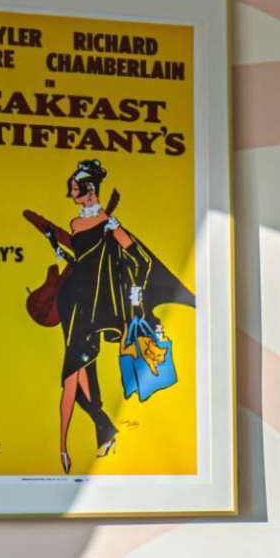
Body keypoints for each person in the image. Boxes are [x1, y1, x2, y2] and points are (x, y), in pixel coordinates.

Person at [22, 157, 194, 474]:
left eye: (76, 188)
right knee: (76, 375)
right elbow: (84, 258)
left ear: (89, 189)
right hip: (73, 301)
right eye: (71, 188)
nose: (72, 193)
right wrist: (55, 243)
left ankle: (69, 445)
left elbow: (140, 261)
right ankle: (102, 431)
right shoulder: (76, 224)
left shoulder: (109, 224)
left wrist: (136, 297)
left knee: (72, 376)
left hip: (96, 306)